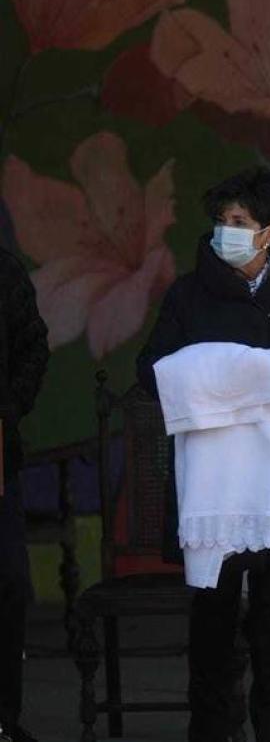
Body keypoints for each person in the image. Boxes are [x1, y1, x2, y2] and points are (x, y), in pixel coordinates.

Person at [137, 166, 270, 742]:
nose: (225, 232)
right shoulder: (188, 294)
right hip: (211, 483)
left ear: (269, 234)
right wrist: (206, 372)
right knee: (211, 616)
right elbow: (149, 373)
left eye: (240, 222)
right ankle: (211, 731)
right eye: (220, 221)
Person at [0, 245, 50, 742]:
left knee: (8, 583)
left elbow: (34, 345)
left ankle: (4, 720)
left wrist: (9, 409)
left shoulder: (3, 264)